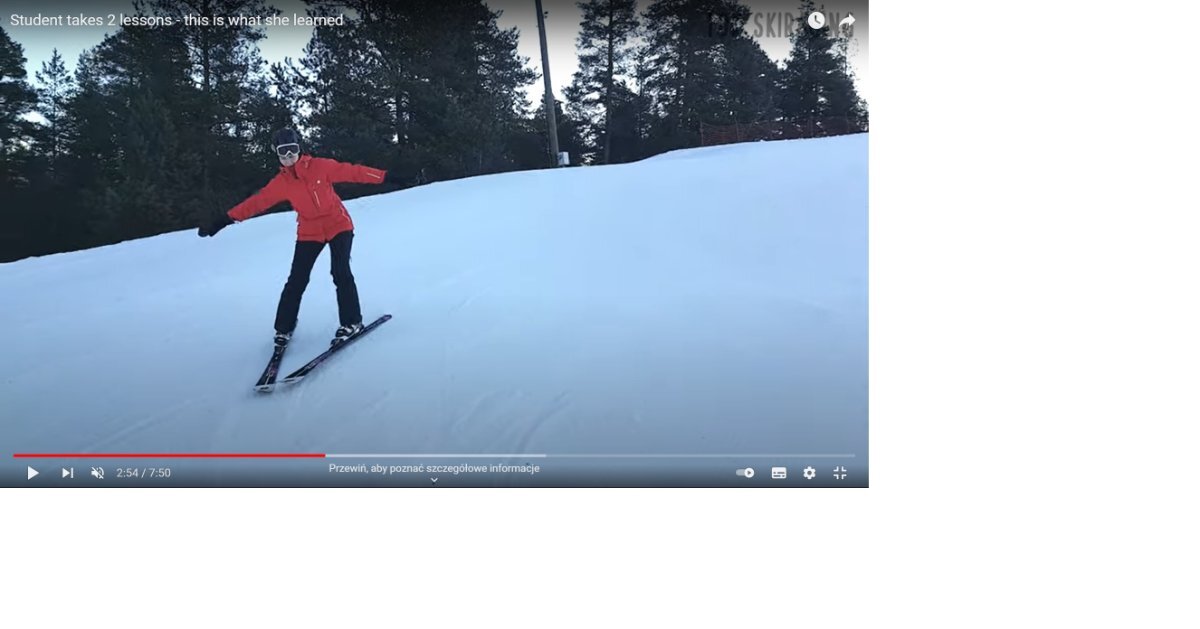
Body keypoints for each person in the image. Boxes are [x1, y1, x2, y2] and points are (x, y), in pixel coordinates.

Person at [198, 128, 397, 347]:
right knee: (297, 279)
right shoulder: (281, 183)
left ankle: (352, 322)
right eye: (283, 152)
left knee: (340, 271)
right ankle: (284, 328)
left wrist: (386, 176)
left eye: (292, 149)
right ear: (276, 153)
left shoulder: (321, 166)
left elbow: (353, 172)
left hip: (338, 225)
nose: (288, 156)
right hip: (309, 232)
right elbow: (257, 203)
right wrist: (224, 220)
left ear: (299, 148)